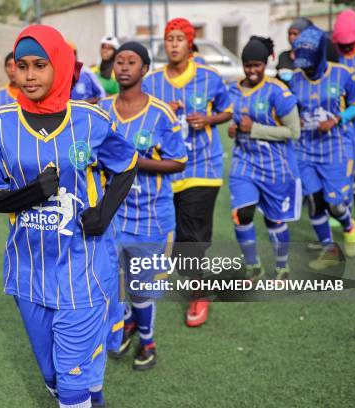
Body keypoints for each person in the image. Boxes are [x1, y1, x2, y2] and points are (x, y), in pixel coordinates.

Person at [0, 25, 138, 408]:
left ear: (60, 66)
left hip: (83, 266)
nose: (29, 75)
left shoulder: (91, 120)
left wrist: (103, 212)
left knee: (70, 381)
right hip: (28, 270)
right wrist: (33, 192)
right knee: (53, 376)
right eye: (22, 65)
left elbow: (126, 164)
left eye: (40, 65)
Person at [99, 42, 187, 370]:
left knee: (139, 287)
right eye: (119, 61)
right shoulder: (102, 110)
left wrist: (135, 161)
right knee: (112, 280)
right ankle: (126, 324)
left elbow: (178, 162)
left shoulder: (161, 113)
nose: (123, 67)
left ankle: (147, 341)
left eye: (131, 62)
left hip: (150, 216)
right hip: (112, 214)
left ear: (144, 69)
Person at [142, 18, 233, 327]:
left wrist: (208, 119)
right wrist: (163, 111)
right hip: (166, 170)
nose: (174, 44)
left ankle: (199, 292)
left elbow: (228, 110)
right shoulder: (152, 81)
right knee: (173, 237)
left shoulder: (209, 77)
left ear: (190, 43)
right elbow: (140, 112)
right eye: (169, 38)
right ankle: (195, 274)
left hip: (202, 168)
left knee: (188, 236)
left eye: (180, 38)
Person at [289, 25, 355, 270]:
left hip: (337, 148)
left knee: (334, 203)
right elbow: (288, 110)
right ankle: (329, 249)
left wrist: (337, 119)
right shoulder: (296, 80)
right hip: (305, 149)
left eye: (309, 64)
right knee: (314, 201)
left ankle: (349, 227)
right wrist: (294, 119)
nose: (306, 69)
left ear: (321, 55)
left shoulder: (342, 74)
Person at [228, 36, 302, 280]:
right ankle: (253, 265)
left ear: (265, 63)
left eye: (256, 65)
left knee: (274, 220)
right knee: (242, 213)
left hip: (275, 167)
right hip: (244, 162)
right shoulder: (234, 90)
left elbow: (294, 132)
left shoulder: (278, 92)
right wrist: (233, 128)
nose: (251, 71)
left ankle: (282, 266)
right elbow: (233, 118)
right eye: (247, 65)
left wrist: (254, 129)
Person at [334, 9, 355, 241]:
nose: (346, 49)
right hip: (338, 121)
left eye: (349, 44)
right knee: (339, 167)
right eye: (341, 44)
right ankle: (340, 211)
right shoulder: (331, 53)